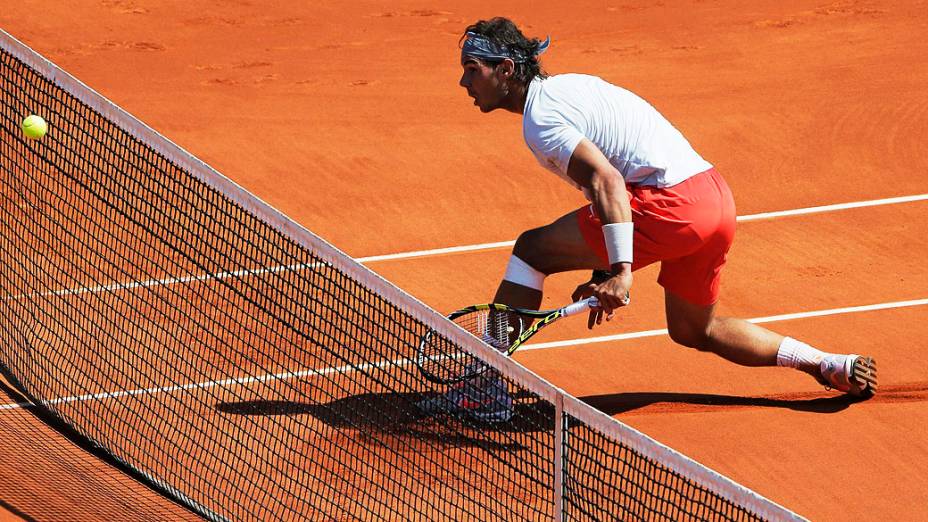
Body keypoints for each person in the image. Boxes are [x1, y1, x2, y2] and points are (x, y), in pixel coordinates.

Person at [421, 17, 879, 422]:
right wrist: (604, 267)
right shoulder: (571, 88)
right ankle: (827, 363)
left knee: (532, 250)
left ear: (506, 70)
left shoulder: (541, 120)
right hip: (714, 200)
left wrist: (621, 273)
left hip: (671, 205)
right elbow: (618, 175)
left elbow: (608, 184)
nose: (464, 81)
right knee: (693, 330)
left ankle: (484, 389)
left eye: (472, 69)